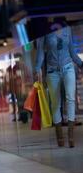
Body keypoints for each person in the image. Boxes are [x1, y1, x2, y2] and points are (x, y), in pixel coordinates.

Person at [35, 19, 83, 148]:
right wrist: (37, 70)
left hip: (68, 68)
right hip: (52, 71)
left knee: (70, 99)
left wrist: (81, 64)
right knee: (56, 104)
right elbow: (40, 53)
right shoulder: (45, 31)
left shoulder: (67, 29)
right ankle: (60, 137)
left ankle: (71, 136)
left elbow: (72, 52)